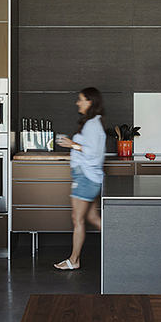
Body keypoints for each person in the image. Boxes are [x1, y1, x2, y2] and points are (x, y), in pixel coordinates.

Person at [54, 87, 105, 270]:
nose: (78, 102)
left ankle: (74, 260)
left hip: (85, 178)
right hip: (88, 177)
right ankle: (123, 245)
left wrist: (72, 144)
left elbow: (93, 153)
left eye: (80, 99)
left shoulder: (92, 125)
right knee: (92, 217)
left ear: (90, 101)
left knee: (78, 219)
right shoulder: (92, 123)